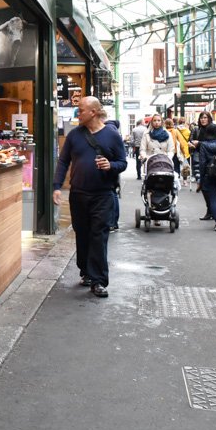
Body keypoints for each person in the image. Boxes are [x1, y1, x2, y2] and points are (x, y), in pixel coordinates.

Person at [52, 96, 127, 298]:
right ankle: (85, 271)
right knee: (82, 234)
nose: (78, 113)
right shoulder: (74, 135)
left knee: (99, 236)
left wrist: (111, 165)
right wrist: (57, 186)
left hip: (103, 195)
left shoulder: (112, 135)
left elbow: (123, 162)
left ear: (93, 112)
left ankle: (99, 280)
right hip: (78, 194)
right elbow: (63, 161)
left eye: (81, 109)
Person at [140, 114, 175, 226]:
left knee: (166, 185)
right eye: (154, 121)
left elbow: (171, 149)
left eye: (159, 120)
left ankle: (165, 206)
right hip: (151, 163)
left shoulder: (168, 134)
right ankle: (152, 208)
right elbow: (142, 149)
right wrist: (144, 157)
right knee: (150, 187)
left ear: (162, 122)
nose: (156, 123)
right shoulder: (146, 135)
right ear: (151, 122)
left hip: (164, 163)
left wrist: (168, 158)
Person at [189, 111, 214, 218]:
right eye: (201, 118)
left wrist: (199, 144)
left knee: (210, 187)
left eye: (205, 117)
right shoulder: (196, 130)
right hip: (198, 159)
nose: (203, 120)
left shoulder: (212, 129)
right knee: (204, 186)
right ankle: (210, 210)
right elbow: (189, 141)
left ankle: (212, 210)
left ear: (209, 118)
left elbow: (215, 143)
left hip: (210, 161)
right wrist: (191, 145)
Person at [104, 119, 123, 231]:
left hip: (109, 166)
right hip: (114, 167)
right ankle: (114, 222)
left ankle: (112, 222)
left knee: (111, 195)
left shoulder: (108, 130)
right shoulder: (115, 130)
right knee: (114, 194)